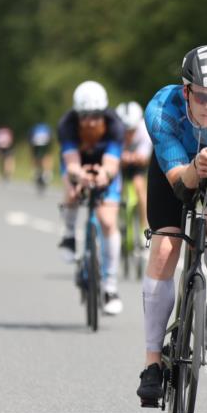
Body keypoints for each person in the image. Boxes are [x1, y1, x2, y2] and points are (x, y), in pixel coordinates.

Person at [136, 45, 207, 407]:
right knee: (165, 246)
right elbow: (178, 183)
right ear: (186, 90)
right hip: (173, 170)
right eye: (202, 96)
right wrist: (195, 168)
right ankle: (152, 363)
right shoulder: (162, 110)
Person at [57, 80, 125, 315]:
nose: (90, 121)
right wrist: (79, 177)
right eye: (84, 116)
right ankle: (68, 234)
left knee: (107, 221)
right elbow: (71, 164)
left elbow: (112, 164)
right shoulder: (67, 125)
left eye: (96, 115)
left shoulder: (115, 125)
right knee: (72, 191)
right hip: (78, 164)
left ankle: (110, 287)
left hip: (105, 166)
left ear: (104, 113)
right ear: (77, 115)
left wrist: (104, 175)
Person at [115, 101, 152, 230]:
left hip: (137, 165)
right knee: (116, 189)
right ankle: (117, 223)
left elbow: (144, 158)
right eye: (125, 131)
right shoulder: (114, 131)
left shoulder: (144, 130)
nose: (128, 134)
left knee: (139, 186)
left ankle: (144, 227)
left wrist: (133, 157)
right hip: (118, 164)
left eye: (131, 131)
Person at [29, 122, 54, 192]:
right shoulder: (46, 128)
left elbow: (30, 138)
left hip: (36, 142)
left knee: (35, 156)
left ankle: (36, 172)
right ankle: (47, 173)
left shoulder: (35, 128)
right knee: (46, 156)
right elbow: (51, 137)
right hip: (44, 142)